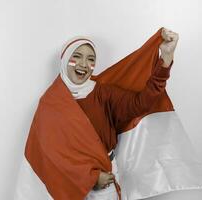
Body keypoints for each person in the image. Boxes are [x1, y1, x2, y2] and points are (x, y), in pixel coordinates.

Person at [57, 28, 178, 199]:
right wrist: (89, 177)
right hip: (67, 184)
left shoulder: (102, 93)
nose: (84, 64)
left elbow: (141, 103)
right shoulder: (51, 103)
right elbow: (52, 153)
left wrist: (165, 59)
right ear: (63, 59)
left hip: (105, 181)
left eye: (90, 59)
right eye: (76, 56)